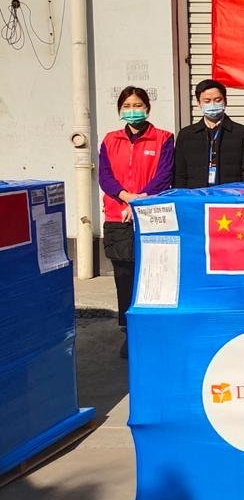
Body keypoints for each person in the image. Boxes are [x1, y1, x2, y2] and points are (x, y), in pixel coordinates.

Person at [97, 87, 173, 358]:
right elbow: (105, 177)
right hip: (118, 217)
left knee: (156, 274)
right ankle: (129, 333)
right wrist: (126, 197)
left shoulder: (164, 138)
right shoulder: (110, 140)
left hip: (153, 215)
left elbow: (164, 175)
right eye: (127, 106)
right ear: (120, 110)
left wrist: (139, 201)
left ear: (147, 108)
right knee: (124, 277)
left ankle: (154, 332)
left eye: (138, 105)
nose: (133, 110)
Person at [173, 79, 244, 188]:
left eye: (218, 100)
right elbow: (179, 174)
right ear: (199, 103)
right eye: (207, 101)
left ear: (225, 101)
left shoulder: (242, 133)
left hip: (230, 195)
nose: (212, 105)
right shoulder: (186, 135)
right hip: (196, 195)